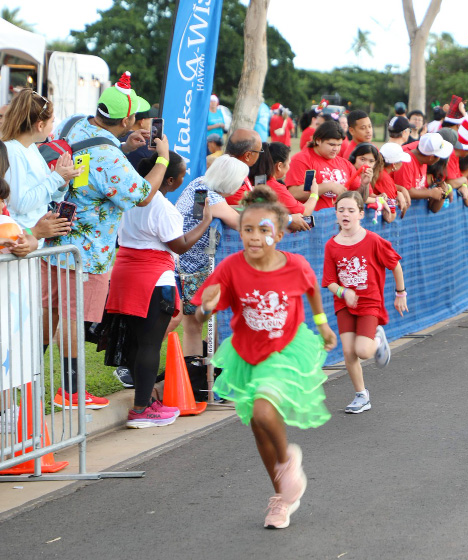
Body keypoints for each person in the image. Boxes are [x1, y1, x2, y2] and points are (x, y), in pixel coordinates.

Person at [192, 184, 336, 530]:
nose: (255, 237)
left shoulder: (295, 265)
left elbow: (312, 291)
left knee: (263, 410)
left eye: (263, 230)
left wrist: (322, 325)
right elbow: (202, 311)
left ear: (280, 234)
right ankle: (282, 497)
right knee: (258, 426)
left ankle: (287, 462)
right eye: (248, 229)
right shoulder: (230, 267)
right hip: (247, 353)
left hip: (285, 350)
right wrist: (205, 309)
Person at [43, 71, 169, 410]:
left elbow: (91, 164)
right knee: (73, 316)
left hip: (54, 238)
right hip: (87, 250)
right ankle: (71, 391)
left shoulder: (75, 124)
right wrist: (163, 159)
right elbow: (143, 194)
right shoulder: (110, 157)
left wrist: (125, 146)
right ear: (126, 119)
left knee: (51, 312)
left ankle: (31, 379)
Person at [101, 151, 210, 427]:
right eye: (182, 174)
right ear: (169, 180)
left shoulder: (129, 198)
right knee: (149, 344)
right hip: (152, 278)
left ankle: (146, 400)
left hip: (123, 274)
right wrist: (205, 222)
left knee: (135, 342)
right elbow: (179, 245)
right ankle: (141, 409)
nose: (185, 177)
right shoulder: (163, 208)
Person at [322, 191, 406, 414]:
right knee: (349, 351)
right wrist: (343, 291)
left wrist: (401, 293)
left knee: (363, 351)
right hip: (344, 304)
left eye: (351, 210)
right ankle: (361, 395)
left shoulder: (373, 240)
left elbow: (395, 265)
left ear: (361, 214)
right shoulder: (332, 245)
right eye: (341, 210)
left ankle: (377, 340)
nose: (345, 214)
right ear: (336, 214)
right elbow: (329, 281)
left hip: (369, 302)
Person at [175, 155, 246, 399]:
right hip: (192, 267)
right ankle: (198, 384)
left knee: (195, 325)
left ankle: (197, 381)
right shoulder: (212, 198)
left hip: (185, 264)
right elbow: (239, 222)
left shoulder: (199, 184)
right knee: (195, 325)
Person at [0, 89, 79, 243]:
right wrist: (56, 178)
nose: (53, 127)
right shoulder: (13, 152)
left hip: (30, 241)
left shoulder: (30, 147)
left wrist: (61, 185)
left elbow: (42, 195)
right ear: (40, 125)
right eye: (52, 122)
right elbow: (20, 204)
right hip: (16, 242)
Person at [285, 121, 355, 211]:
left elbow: (359, 193)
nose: (336, 149)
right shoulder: (301, 160)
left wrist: (364, 185)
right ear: (318, 140)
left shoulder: (344, 163)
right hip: (313, 217)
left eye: (339, 145)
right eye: (331, 144)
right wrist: (329, 186)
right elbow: (294, 193)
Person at [249, 142, 315, 231]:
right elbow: (305, 212)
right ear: (279, 166)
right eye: (288, 164)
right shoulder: (274, 188)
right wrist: (314, 193)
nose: (289, 167)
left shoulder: (249, 179)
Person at [394, 132, 453, 213]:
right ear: (431, 157)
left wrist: (440, 191)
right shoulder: (406, 161)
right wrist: (431, 192)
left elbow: (419, 188)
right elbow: (406, 191)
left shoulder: (423, 162)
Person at [223, 128, 263, 204]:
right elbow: (251, 208)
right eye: (259, 151)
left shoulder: (235, 170)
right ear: (247, 155)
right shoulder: (235, 184)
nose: (259, 155)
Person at [378, 143, 412, 217]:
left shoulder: (381, 173)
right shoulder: (384, 177)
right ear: (394, 164)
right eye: (401, 161)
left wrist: (399, 190)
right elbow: (389, 217)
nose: (402, 163)